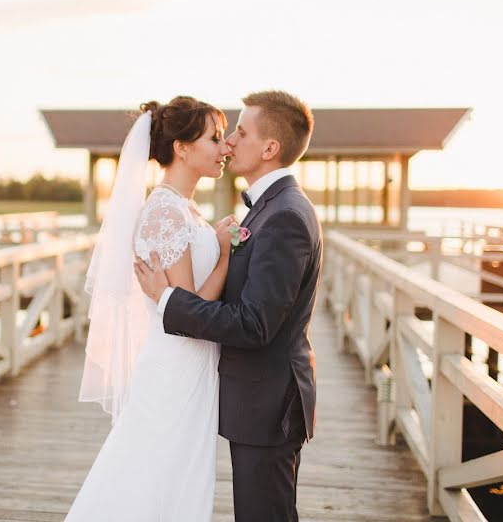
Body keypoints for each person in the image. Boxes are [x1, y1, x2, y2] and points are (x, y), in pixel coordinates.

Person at [135, 90, 322, 522]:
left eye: (239, 131)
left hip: (268, 403)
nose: (230, 141)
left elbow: (255, 323)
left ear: (270, 148)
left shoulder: (285, 216)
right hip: (250, 398)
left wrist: (166, 301)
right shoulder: (271, 210)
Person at [66, 96, 234, 521]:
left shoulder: (184, 209)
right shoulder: (164, 214)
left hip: (191, 365)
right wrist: (226, 254)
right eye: (214, 139)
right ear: (182, 147)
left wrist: (212, 239)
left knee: (175, 475)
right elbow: (191, 311)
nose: (225, 148)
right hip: (175, 364)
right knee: (156, 475)